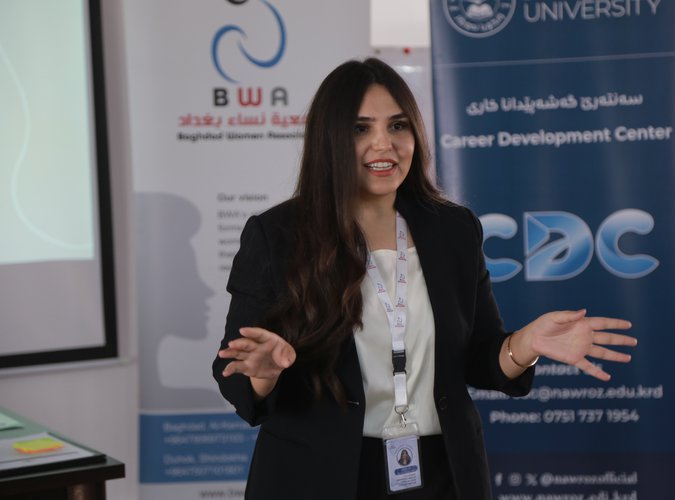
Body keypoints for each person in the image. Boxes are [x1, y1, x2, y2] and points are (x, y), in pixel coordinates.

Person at [212, 57, 636, 500]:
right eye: (360, 129)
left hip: (441, 472)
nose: (384, 144)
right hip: (319, 476)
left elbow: (479, 359)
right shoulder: (278, 235)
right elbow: (234, 374)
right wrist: (263, 374)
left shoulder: (453, 229)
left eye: (398, 126)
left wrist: (525, 344)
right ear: (329, 139)